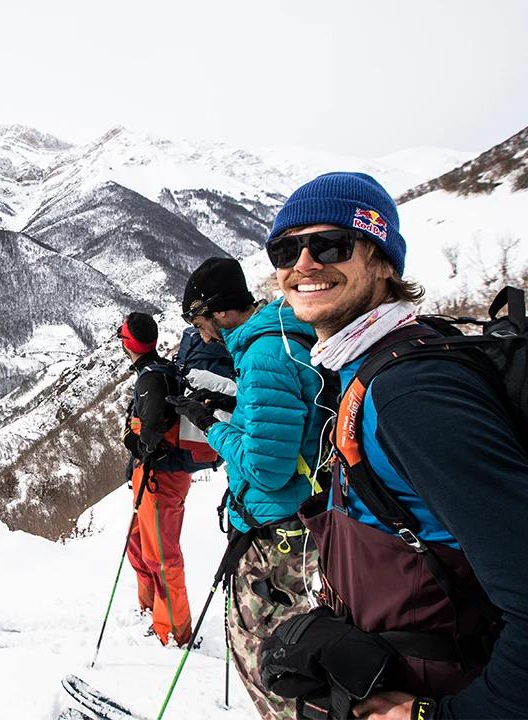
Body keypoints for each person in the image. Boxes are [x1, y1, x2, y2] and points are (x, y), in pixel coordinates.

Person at [258, 171, 528, 719]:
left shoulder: (412, 396)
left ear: (382, 259)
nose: (303, 263)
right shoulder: (373, 368)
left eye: (329, 244)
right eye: (286, 248)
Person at [170, 257, 328, 720]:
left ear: (219, 312)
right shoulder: (285, 332)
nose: (202, 336)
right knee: (292, 642)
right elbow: (281, 422)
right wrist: (233, 410)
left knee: (267, 657)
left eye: (201, 322)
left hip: (274, 529)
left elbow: (267, 468)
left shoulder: (262, 355)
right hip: (298, 514)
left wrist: (211, 425)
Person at [118, 311, 194, 647]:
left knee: (162, 556)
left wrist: (130, 442)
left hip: (159, 478)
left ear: (128, 344)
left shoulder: (149, 379)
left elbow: (149, 435)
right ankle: (150, 608)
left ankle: (173, 632)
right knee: (139, 544)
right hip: (155, 475)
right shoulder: (161, 369)